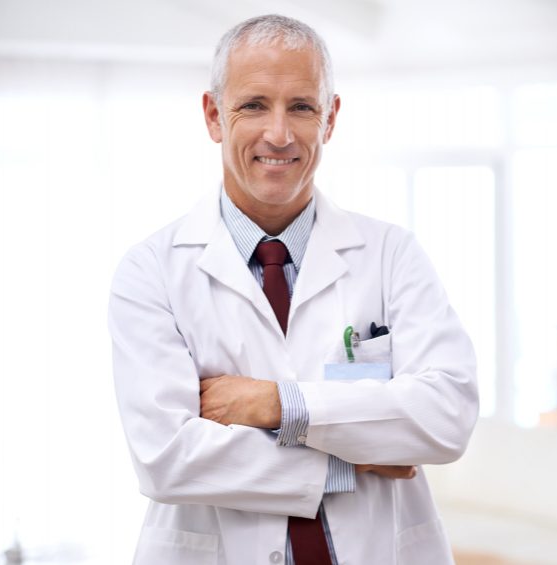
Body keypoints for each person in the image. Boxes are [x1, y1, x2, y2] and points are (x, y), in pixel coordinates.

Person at [108, 14, 478, 565]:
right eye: (254, 104)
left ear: (329, 119)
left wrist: (276, 404)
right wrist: (351, 457)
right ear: (214, 115)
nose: (278, 134)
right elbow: (167, 456)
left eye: (301, 107)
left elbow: (446, 417)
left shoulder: (392, 254)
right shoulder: (151, 271)